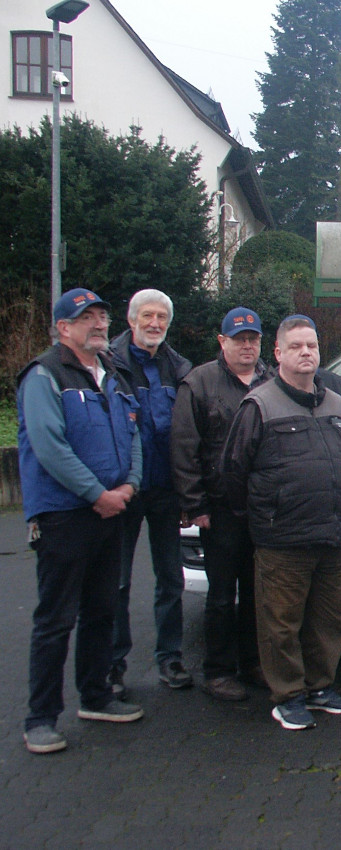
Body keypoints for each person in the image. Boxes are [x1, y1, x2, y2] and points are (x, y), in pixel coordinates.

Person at [17, 287, 145, 754]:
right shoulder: (44, 376)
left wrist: (129, 484)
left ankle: (95, 697)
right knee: (55, 619)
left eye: (101, 316)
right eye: (85, 317)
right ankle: (40, 718)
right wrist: (97, 494)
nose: (97, 324)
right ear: (63, 328)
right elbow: (49, 446)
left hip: (112, 510)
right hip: (65, 517)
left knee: (101, 611)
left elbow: (132, 431)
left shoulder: (112, 373)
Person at [222, 315, 341, 731]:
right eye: (297, 346)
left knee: (330, 619)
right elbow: (233, 472)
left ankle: (320, 687)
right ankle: (288, 695)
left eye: (312, 346)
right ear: (278, 353)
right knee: (281, 623)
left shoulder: (337, 405)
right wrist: (264, 518)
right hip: (283, 540)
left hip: (334, 536)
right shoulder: (259, 405)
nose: (306, 353)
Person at [171, 307, 272, 702]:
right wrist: (195, 504)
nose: (247, 346)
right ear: (222, 342)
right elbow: (183, 448)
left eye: (253, 339)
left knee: (255, 593)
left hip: (262, 511)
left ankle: (252, 663)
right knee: (220, 596)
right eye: (239, 339)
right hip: (219, 511)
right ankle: (217, 671)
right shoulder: (199, 382)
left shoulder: (271, 380)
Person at [108, 289, 193, 697]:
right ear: (131, 320)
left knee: (170, 579)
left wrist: (188, 491)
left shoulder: (179, 368)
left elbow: (188, 433)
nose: (154, 323)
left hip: (165, 489)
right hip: (122, 489)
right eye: (147, 315)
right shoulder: (109, 364)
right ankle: (113, 664)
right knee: (117, 580)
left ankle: (170, 657)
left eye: (161, 316)